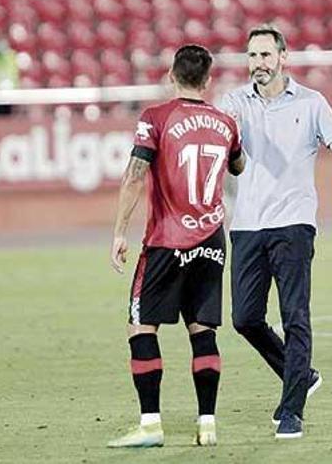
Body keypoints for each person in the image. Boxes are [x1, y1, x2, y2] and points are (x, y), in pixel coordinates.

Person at [218, 24, 332, 440]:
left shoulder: (312, 103)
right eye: (252, 56)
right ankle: (300, 373)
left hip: (294, 224)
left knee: (295, 315)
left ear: (283, 57)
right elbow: (221, 149)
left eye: (265, 55)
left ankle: (292, 410)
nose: (258, 64)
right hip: (246, 225)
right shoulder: (234, 103)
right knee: (245, 318)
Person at [107, 45, 244, 448]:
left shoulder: (155, 119)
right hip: (212, 239)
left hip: (167, 241)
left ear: (171, 75)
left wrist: (119, 231)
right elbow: (238, 165)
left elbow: (135, 176)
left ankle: (150, 424)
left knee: (140, 326)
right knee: (202, 330)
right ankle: (207, 424)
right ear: (208, 80)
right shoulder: (225, 123)